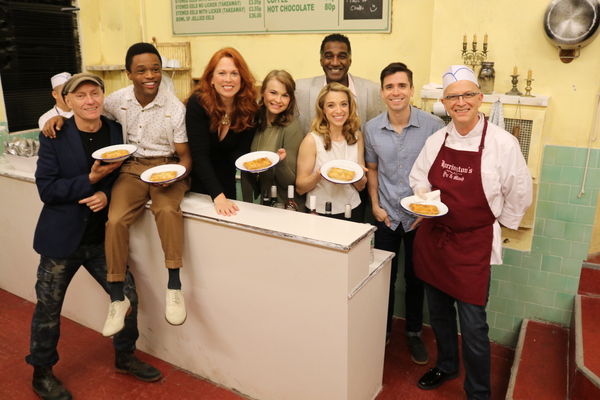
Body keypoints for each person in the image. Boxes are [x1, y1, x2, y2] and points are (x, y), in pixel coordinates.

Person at [41, 43, 192, 332]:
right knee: (116, 219)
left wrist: (175, 175)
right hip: (133, 167)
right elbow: (88, 111)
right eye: (142, 70)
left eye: (156, 69)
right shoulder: (116, 100)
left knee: (165, 208)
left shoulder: (175, 107)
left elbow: (185, 156)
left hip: (168, 165)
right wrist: (61, 117)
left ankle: (174, 285)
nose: (150, 75)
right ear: (128, 74)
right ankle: (116, 296)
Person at [27, 73, 161, 400]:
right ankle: (41, 373)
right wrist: (89, 180)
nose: (90, 101)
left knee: (127, 298)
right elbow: (47, 188)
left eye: (95, 93)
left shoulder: (115, 131)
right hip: (62, 241)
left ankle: (125, 357)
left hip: (102, 241)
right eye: (81, 96)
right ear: (67, 101)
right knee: (48, 309)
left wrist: (107, 194)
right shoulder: (55, 135)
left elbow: (125, 175)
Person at [410, 65, 532, 400]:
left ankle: (478, 392)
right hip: (435, 239)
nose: (460, 102)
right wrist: (422, 195)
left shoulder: (502, 144)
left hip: (473, 244)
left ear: (479, 98)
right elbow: (419, 177)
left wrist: (494, 223)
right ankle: (448, 364)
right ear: (445, 103)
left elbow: (519, 191)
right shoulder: (437, 140)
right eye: (452, 97)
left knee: (474, 325)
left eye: (467, 95)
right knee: (438, 313)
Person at [364, 62, 445, 362]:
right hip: (386, 216)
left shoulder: (433, 127)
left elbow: (439, 174)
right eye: (389, 87)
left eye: (401, 86)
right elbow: (372, 170)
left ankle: (413, 333)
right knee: (383, 277)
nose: (395, 92)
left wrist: (430, 211)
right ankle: (381, 330)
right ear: (382, 91)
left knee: (416, 278)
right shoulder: (371, 128)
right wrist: (374, 205)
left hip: (419, 219)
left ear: (411, 89)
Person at [186, 47, 258, 216]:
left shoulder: (249, 108)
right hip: (197, 183)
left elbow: (239, 153)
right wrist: (218, 197)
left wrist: (257, 162)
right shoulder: (198, 103)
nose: (228, 79)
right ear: (211, 78)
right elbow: (199, 156)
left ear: (242, 78)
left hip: (226, 182)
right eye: (222, 73)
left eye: (234, 73)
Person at [296, 82, 367, 221]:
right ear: (322, 109)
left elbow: (361, 186)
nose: (339, 110)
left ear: (350, 106)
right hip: (320, 212)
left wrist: (359, 174)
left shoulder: (357, 137)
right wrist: (318, 175)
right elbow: (300, 188)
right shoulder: (312, 140)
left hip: (352, 209)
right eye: (331, 105)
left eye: (344, 104)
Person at [240, 69, 305, 210]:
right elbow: (244, 166)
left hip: (287, 206)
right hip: (264, 203)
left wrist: (280, 163)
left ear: (291, 99)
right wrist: (246, 204)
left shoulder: (292, 127)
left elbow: (291, 182)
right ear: (263, 92)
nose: (278, 100)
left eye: (285, 95)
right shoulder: (251, 121)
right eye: (273, 93)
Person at [295, 33, 383, 134]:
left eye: (341, 57)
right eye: (329, 56)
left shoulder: (372, 90)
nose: (335, 63)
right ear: (321, 61)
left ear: (350, 61)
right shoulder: (301, 89)